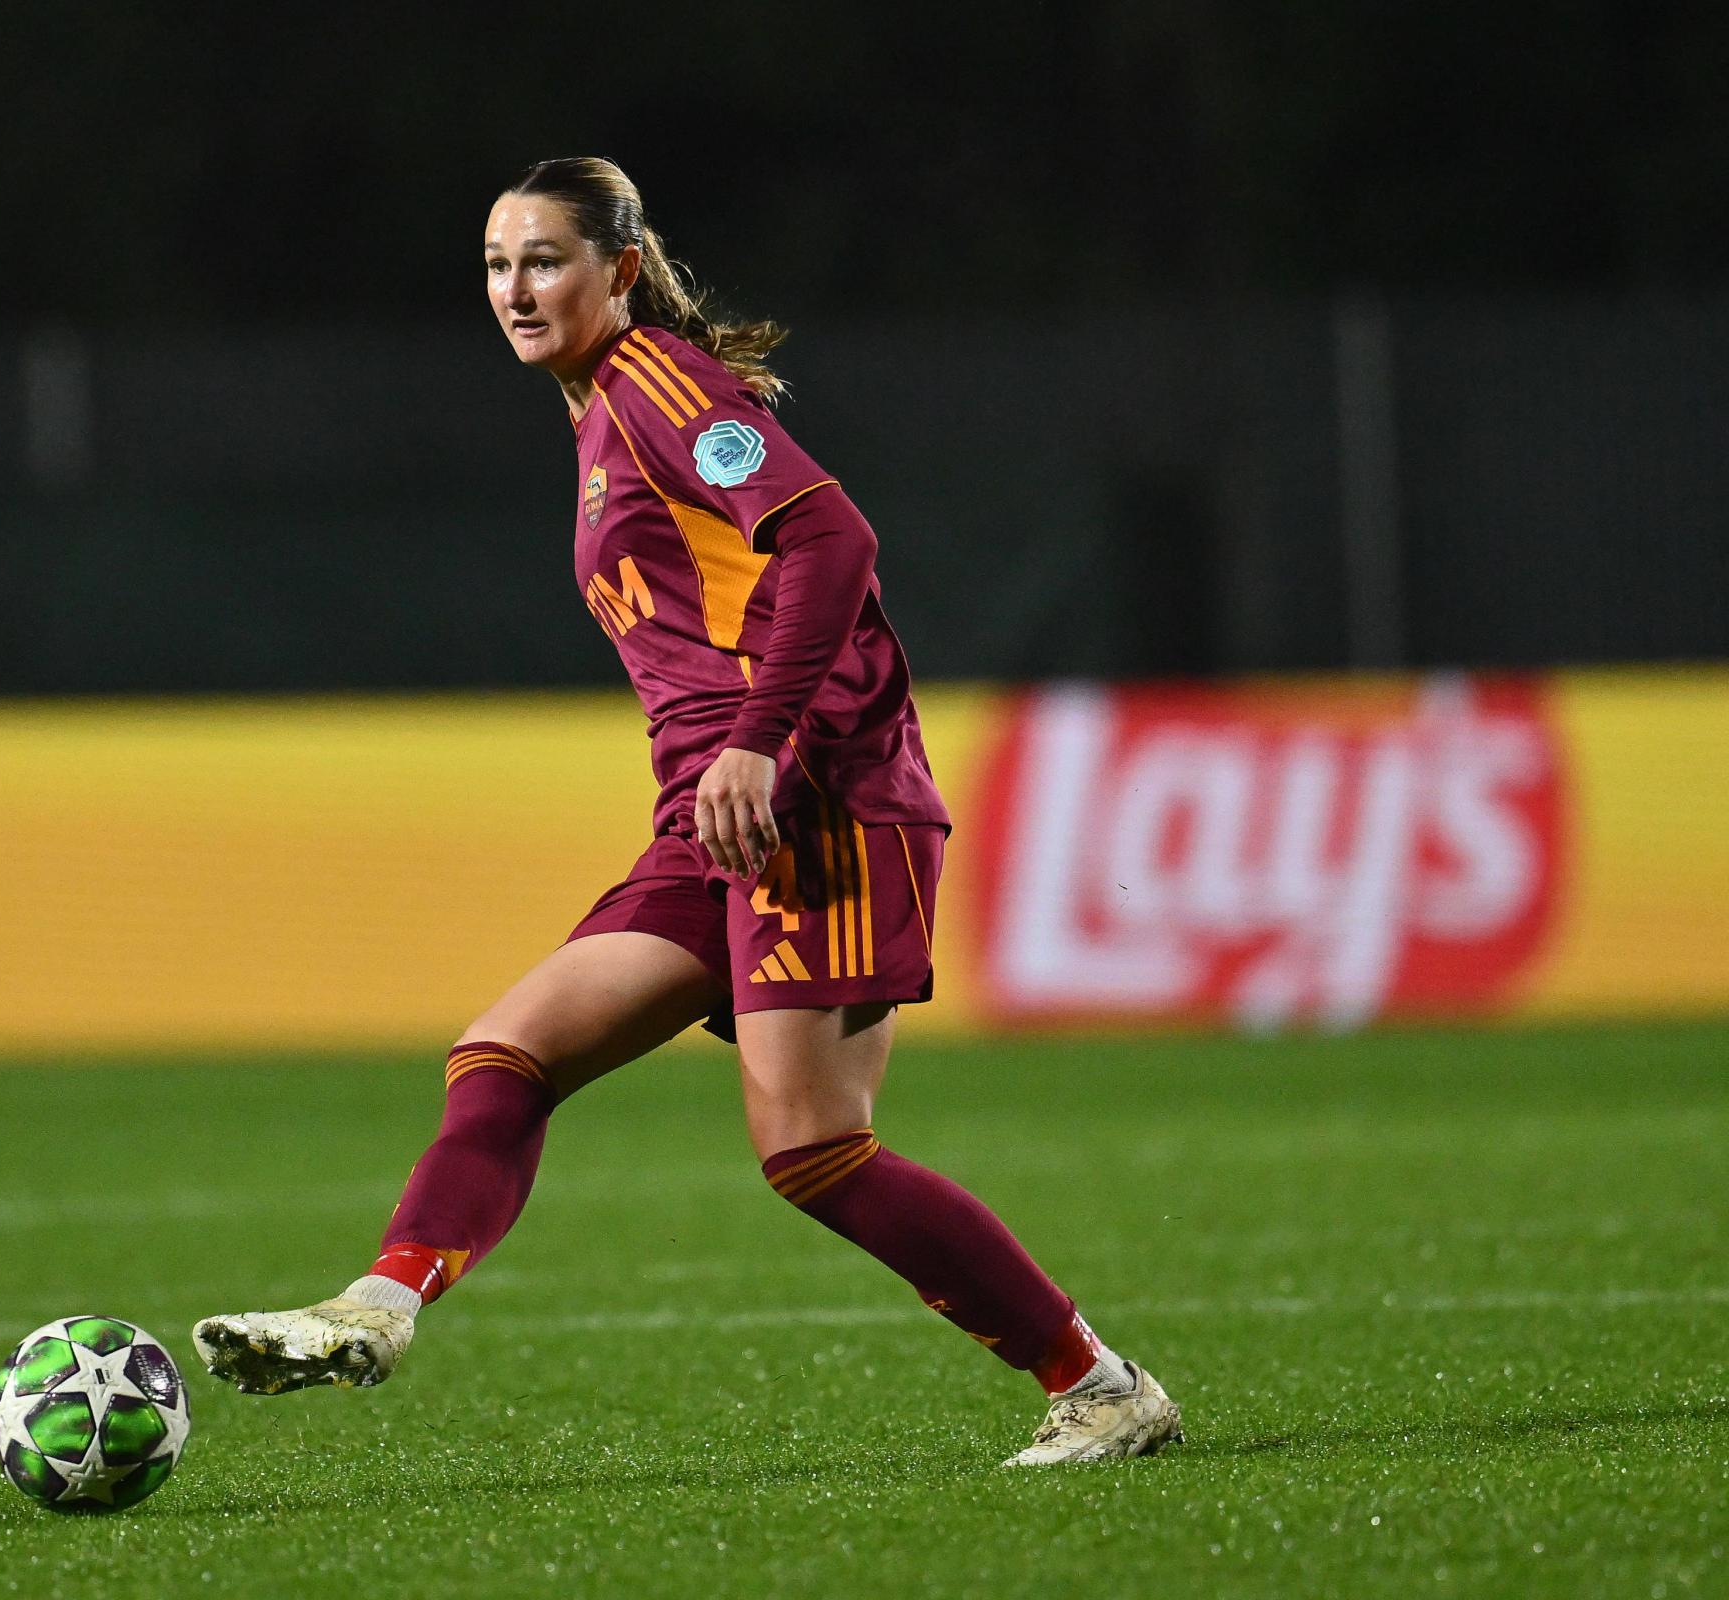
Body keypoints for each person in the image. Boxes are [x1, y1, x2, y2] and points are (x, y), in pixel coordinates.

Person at [193, 157, 1181, 1466]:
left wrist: (761, 745)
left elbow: (835, 542)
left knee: (814, 1151)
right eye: (495, 265)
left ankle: (1101, 1386)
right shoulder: (599, 411)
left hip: (815, 801)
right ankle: (375, 1310)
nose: (515, 288)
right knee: (506, 1054)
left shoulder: (656, 384)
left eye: (544, 259)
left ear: (622, 267)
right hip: (712, 825)